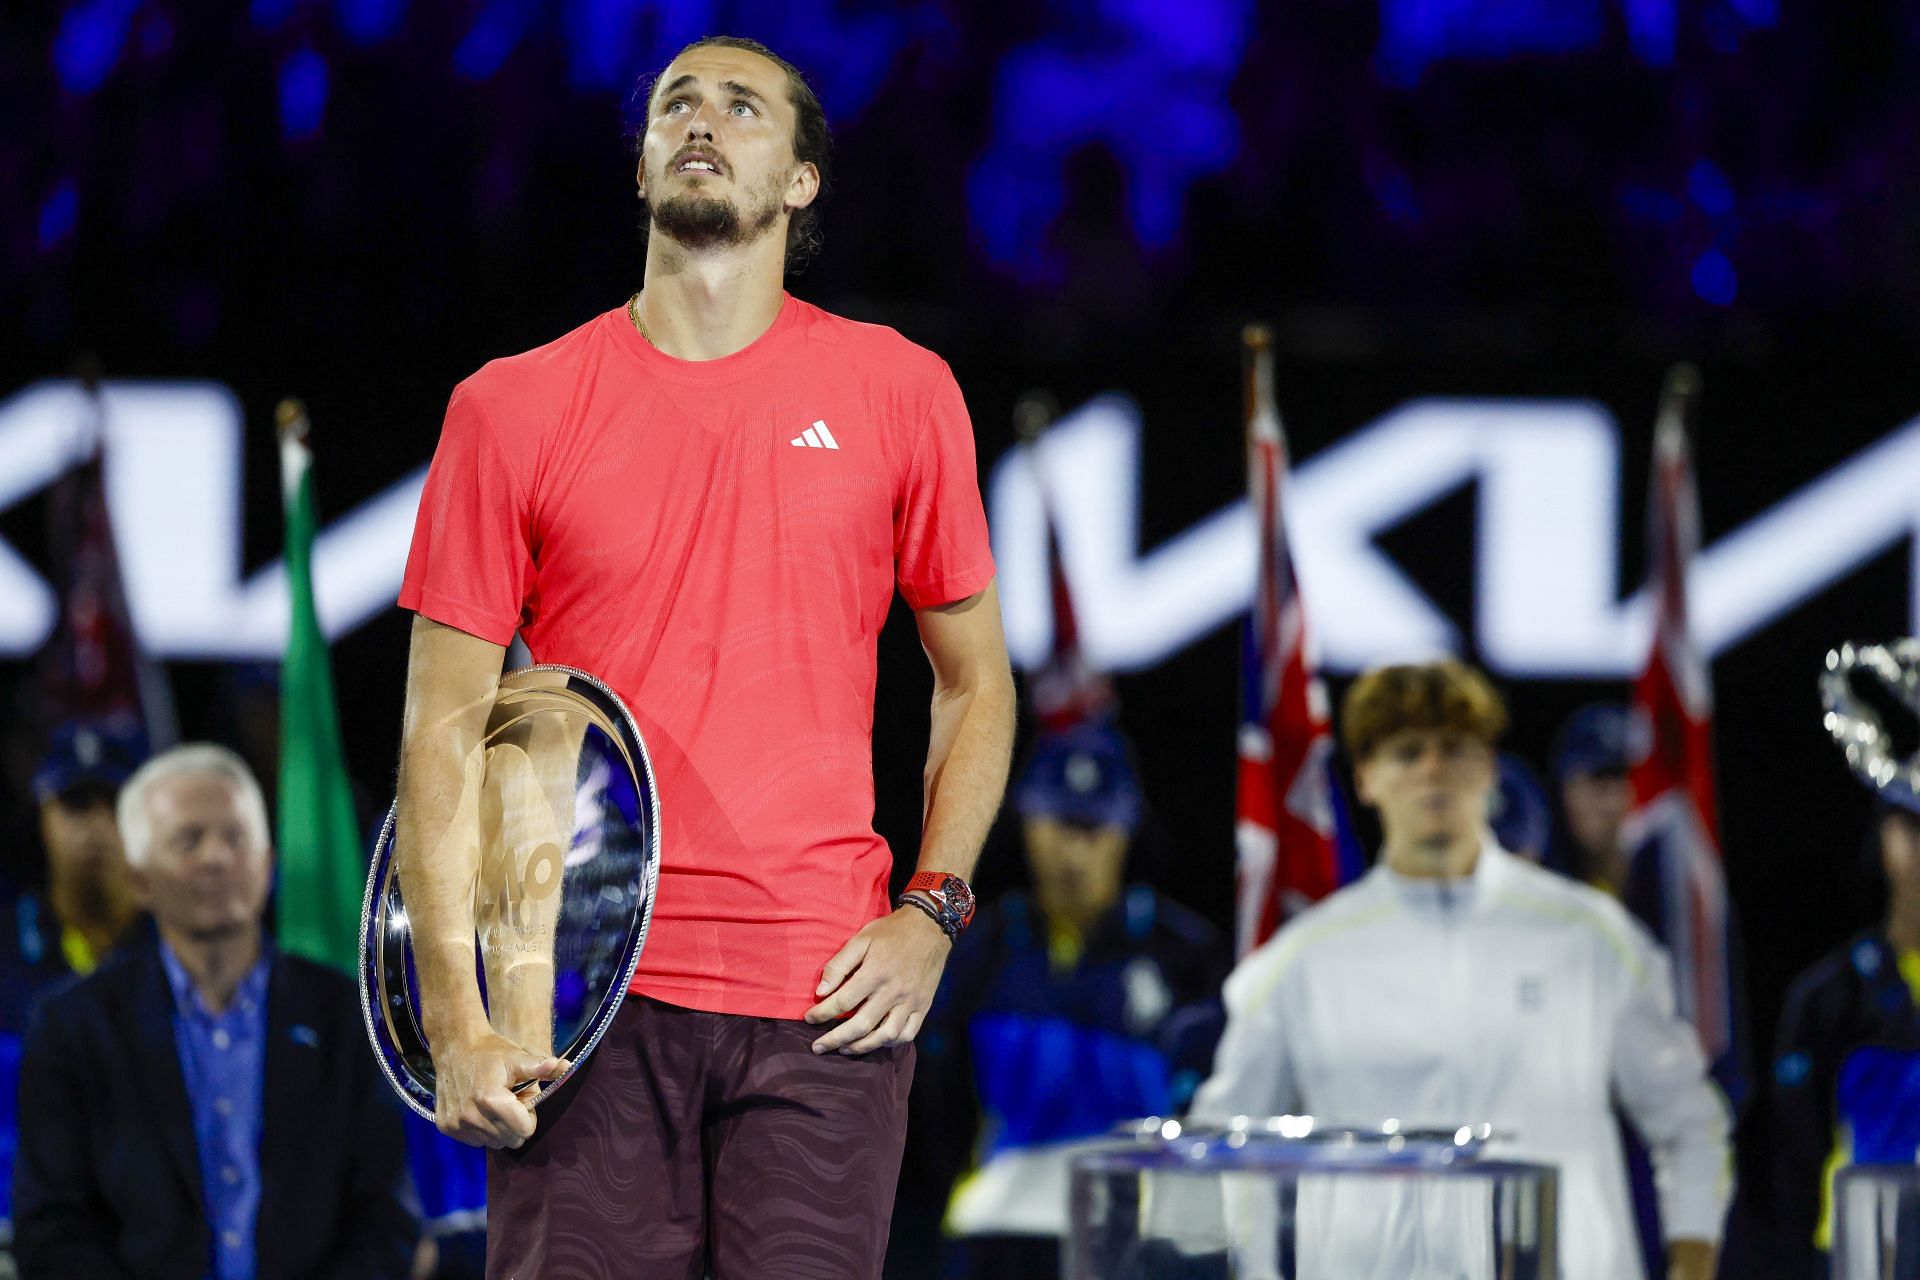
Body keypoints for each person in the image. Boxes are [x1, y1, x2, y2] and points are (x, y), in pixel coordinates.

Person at [392, 34, 1014, 1280]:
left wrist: (933, 911)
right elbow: (444, 733)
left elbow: (977, 681)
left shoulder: (902, 390)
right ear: (638, 167)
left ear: (800, 182)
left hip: (823, 1005)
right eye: (678, 101)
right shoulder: (508, 405)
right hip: (577, 1001)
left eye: (743, 107)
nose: (703, 121)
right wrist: (455, 1019)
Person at [1193, 660, 1730, 1280]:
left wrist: (1692, 1259)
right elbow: (1226, 1150)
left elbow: (1691, 1121)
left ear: (1489, 769)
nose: (1432, 770)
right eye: (1407, 752)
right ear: (1365, 778)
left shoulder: (1591, 939)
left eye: (1455, 749)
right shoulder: (1302, 961)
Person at [12, 743, 418, 1279]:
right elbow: (51, 1231)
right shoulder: (71, 1027)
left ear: (268, 862)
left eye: (235, 836)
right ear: (139, 880)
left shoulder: (346, 1014)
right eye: (189, 839)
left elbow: (386, 1217)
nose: (216, 857)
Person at [912, 720, 1226, 1279]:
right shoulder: (977, 950)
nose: (1074, 850)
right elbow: (937, 1105)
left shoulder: (1189, 959)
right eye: (1060, 822)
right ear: (1027, 821)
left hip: (1141, 1238)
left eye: (1095, 827)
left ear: (1128, 828)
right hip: (997, 1232)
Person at [1719, 786, 1920, 1279]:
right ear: (1887, 838)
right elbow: (1792, 1161)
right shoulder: (1829, 997)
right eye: (1914, 830)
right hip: (1863, 1248)